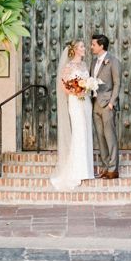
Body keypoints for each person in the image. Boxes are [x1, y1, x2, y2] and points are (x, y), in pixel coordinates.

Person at [49, 39, 96, 191]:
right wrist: (76, 91)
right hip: (75, 102)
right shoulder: (69, 66)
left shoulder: (84, 65)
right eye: (82, 46)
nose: (84, 48)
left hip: (86, 101)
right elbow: (63, 85)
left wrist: (87, 87)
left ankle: (87, 170)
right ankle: (77, 170)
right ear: (75, 49)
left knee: (86, 131)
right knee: (79, 132)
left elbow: (87, 82)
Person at [89, 33, 121, 179]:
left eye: (93, 44)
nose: (91, 47)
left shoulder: (113, 61)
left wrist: (111, 103)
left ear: (101, 46)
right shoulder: (93, 62)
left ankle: (113, 169)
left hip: (107, 104)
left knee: (110, 137)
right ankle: (105, 167)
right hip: (95, 103)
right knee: (100, 137)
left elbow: (117, 83)